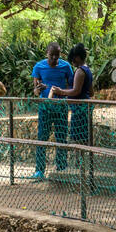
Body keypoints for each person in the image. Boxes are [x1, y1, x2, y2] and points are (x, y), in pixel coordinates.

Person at [31, 41, 75, 177]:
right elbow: (35, 91)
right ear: (47, 54)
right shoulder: (39, 67)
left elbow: (72, 86)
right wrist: (38, 90)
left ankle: (61, 168)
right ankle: (39, 170)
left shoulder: (66, 66)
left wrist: (63, 93)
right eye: (52, 55)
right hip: (45, 107)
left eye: (57, 55)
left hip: (61, 107)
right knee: (42, 137)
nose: (55, 58)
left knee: (61, 137)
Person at [64, 43, 94, 165]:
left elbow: (76, 90)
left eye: (73, 58)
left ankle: (79, 164)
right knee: (81, 136)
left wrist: (61, 92)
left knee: (77, 137)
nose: (72, 61)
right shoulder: (88, 70)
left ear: (77, 57)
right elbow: (91, 92)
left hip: (79, 109)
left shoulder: (80, 71)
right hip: (84, 108)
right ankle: (81, 163)